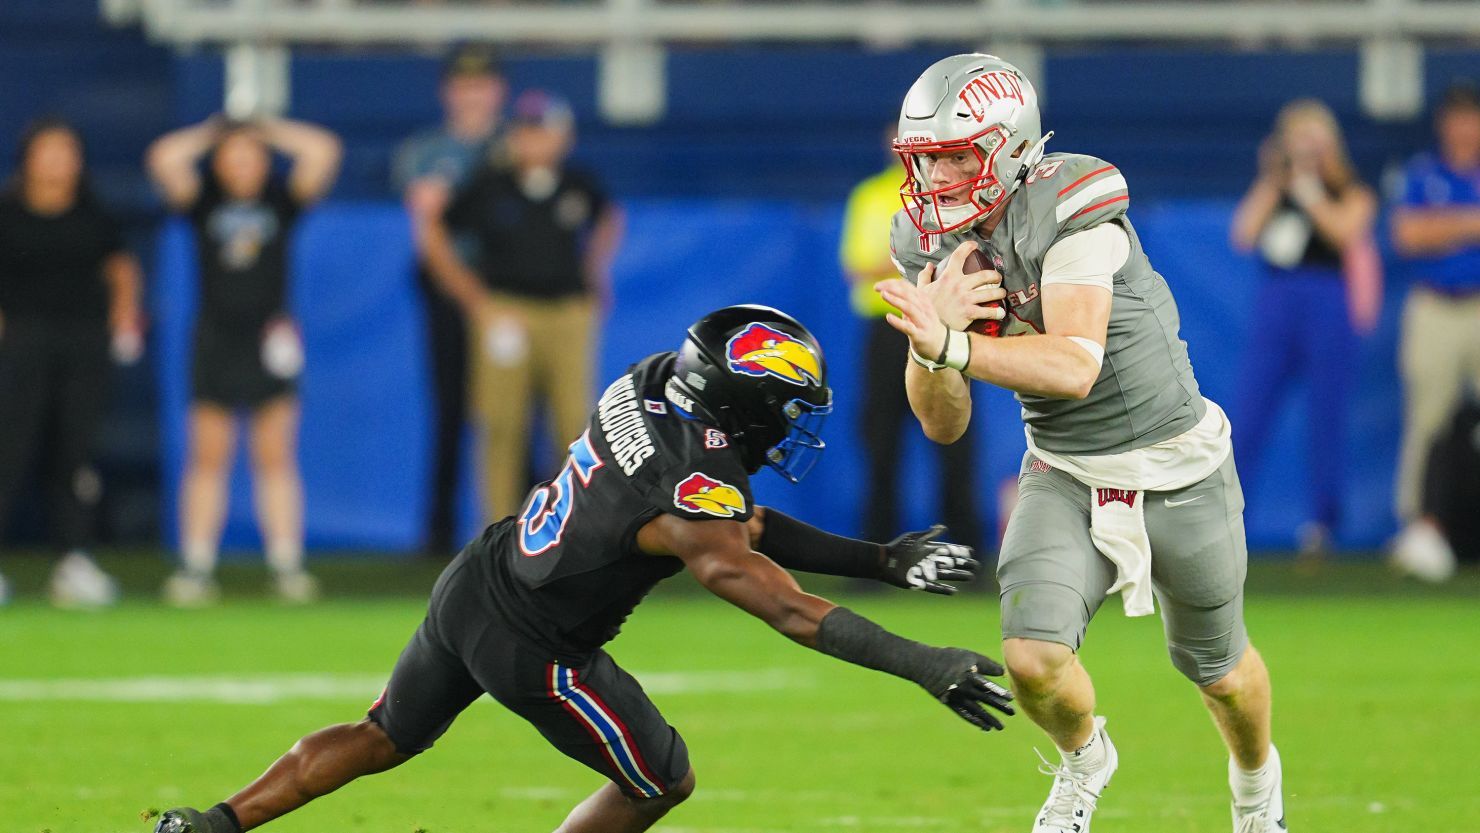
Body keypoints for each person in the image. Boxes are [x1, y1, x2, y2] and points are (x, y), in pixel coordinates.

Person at [149, 305, 1014, 833]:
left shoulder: (648, 382)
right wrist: (924, 662)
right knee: (661, 779)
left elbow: (732, 515)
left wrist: (881, 561)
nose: (789, 425)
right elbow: (778, 600)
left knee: (381, 735)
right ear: (739, 402)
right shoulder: (692, 493)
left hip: (480, 575)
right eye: (784, 407)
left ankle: (212, 823)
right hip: (539, 646)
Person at [876, 55, 1284, 833]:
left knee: (1221, 672)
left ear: (1013, 146)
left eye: (958, 154)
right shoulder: (926, 240)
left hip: (1176, 466)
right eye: (925, 158)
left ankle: (1257, 785)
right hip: (1064, 470)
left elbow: (1073, 364)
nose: (938, 177)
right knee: (1031, 658)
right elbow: (943, 422)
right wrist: (932, 346)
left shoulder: (1071, 202)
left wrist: (955, 345)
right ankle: (1085, 758)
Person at [146, 116, 342, 606]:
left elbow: (324, 150)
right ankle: (196, 566)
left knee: (275, 454)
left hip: (269, 339)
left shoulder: (282, 202)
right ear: (218, 162)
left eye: (251, 155)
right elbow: (163, 158)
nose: (242, 164)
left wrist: (265, 128)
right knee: (207, 455)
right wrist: (214, 130)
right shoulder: (203, 203)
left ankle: (286, 564)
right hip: (215, 338)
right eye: (232, 156)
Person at [423, 89, 623, 523]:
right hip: (507, 310)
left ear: (562, 137)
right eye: (525, 133)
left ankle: (576, 529)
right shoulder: (490, 184)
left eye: (542, 132)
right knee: (500, 425)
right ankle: (498, 531)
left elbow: (610, 217)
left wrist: (594, 269)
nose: (533, 143)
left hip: (567, 312)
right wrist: (474, 299)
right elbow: (435, 232)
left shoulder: (578, 182)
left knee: (574, 424)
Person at [0, 117, 144, 608]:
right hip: (20, 345)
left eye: (68, 151)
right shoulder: (7, 210)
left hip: (82, 345)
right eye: (49, 150)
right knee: (9, 451)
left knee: (75, 455)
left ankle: (73, 560)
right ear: (28, 157)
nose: (59, 161)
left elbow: (120, 268)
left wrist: (124, 318)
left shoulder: (92, 212)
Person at [1229, 99, 1379, 558]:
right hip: (1278, 302)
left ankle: (1323, 524)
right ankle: (1231, 518)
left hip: (1326, 303)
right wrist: (1275, 178)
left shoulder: (1352, 190)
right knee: (1250, 411)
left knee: (1326, 416)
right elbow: (1243, 234)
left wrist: (1312, 187)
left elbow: (1344, 232)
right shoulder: (1276, 189)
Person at [838, 131, 984, 552]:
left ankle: (966, 553)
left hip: (947, 322)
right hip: (888, 329)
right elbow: (859, 267)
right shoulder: (870, 195)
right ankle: (877, 554)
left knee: (956, 440)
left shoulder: (955, 195)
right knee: (881, 444)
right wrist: (923, 254)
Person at [393, 45, 507, 554]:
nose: (473, 96)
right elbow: (426, 226)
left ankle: (529, 526)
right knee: (451, 407)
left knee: (511, 411)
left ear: (497, 91)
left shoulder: (514, 146)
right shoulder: (424, 151)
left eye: (481, 85)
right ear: (448, 92)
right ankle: (438, 534)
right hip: (448, 286)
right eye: (464, 86)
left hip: (510, 287)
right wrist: (464, 290)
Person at [1388, 81, 1480, 583]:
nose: (1465, 128)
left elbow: (1429, 230)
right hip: (1436, 306)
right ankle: (1419, 526)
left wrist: (1444, 226)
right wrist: (1468, 223)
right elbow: (1407, 234)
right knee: (1428, 418)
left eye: (1473, 117)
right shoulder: (1425, 173)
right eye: (1457, 117)